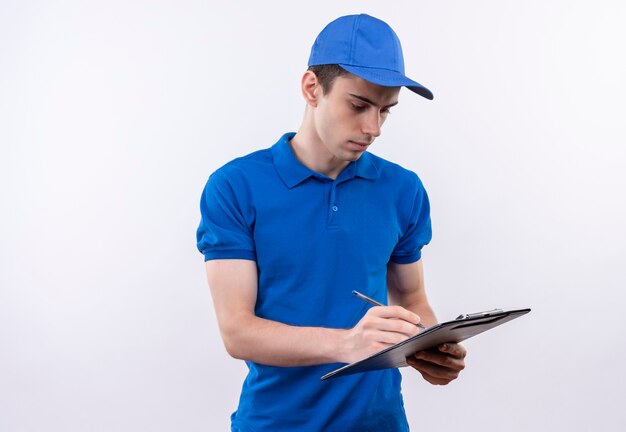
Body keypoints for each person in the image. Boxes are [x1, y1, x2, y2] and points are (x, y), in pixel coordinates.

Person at [196, 13, 466, 431]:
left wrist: (431, 346)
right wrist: (348, 344)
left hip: (380, 422)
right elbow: (238, 331)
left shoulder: (403, 189)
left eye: (385, 111)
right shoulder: (235, 187)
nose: (372, 127)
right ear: (311, 88)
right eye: (358, 105)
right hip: (275, 423)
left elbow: (413, 302)